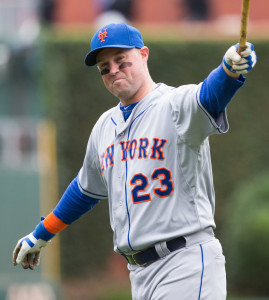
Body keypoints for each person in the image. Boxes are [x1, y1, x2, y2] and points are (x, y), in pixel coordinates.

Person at [13, 23, 257, 299]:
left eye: (121, 60)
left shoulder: (174, 105)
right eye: (104, 67)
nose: (113, 69)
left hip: (185, 263)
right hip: (140, 274)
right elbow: (84, 191)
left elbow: (210, 96)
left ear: (143, 54)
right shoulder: (104, 127)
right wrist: (40, 234)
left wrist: (229, 71)